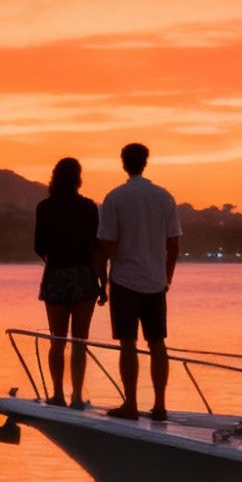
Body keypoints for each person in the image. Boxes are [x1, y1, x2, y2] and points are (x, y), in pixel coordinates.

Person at [95, 142, 180, 421]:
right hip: (155, 282)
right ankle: (159, 405)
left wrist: (102, 279)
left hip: (124, 280)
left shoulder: (115, 198)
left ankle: (130, 404)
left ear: (124, 163)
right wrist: (166, 277)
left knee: (128, 343)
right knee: (157, 343)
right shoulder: (164, 197)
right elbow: (173, 244)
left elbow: (107, 245)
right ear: (146, 162)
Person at [33, 157, 103, 407]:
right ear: (78, 178)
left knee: (57, 340)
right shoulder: (88, 207)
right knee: (79, 341)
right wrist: (102, 285)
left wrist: (55, 261)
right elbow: (95, 248)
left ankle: (58, 395)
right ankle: (76, 397)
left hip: (56, 276)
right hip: (84, 277)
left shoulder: (44, 207)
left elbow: (39, 247)